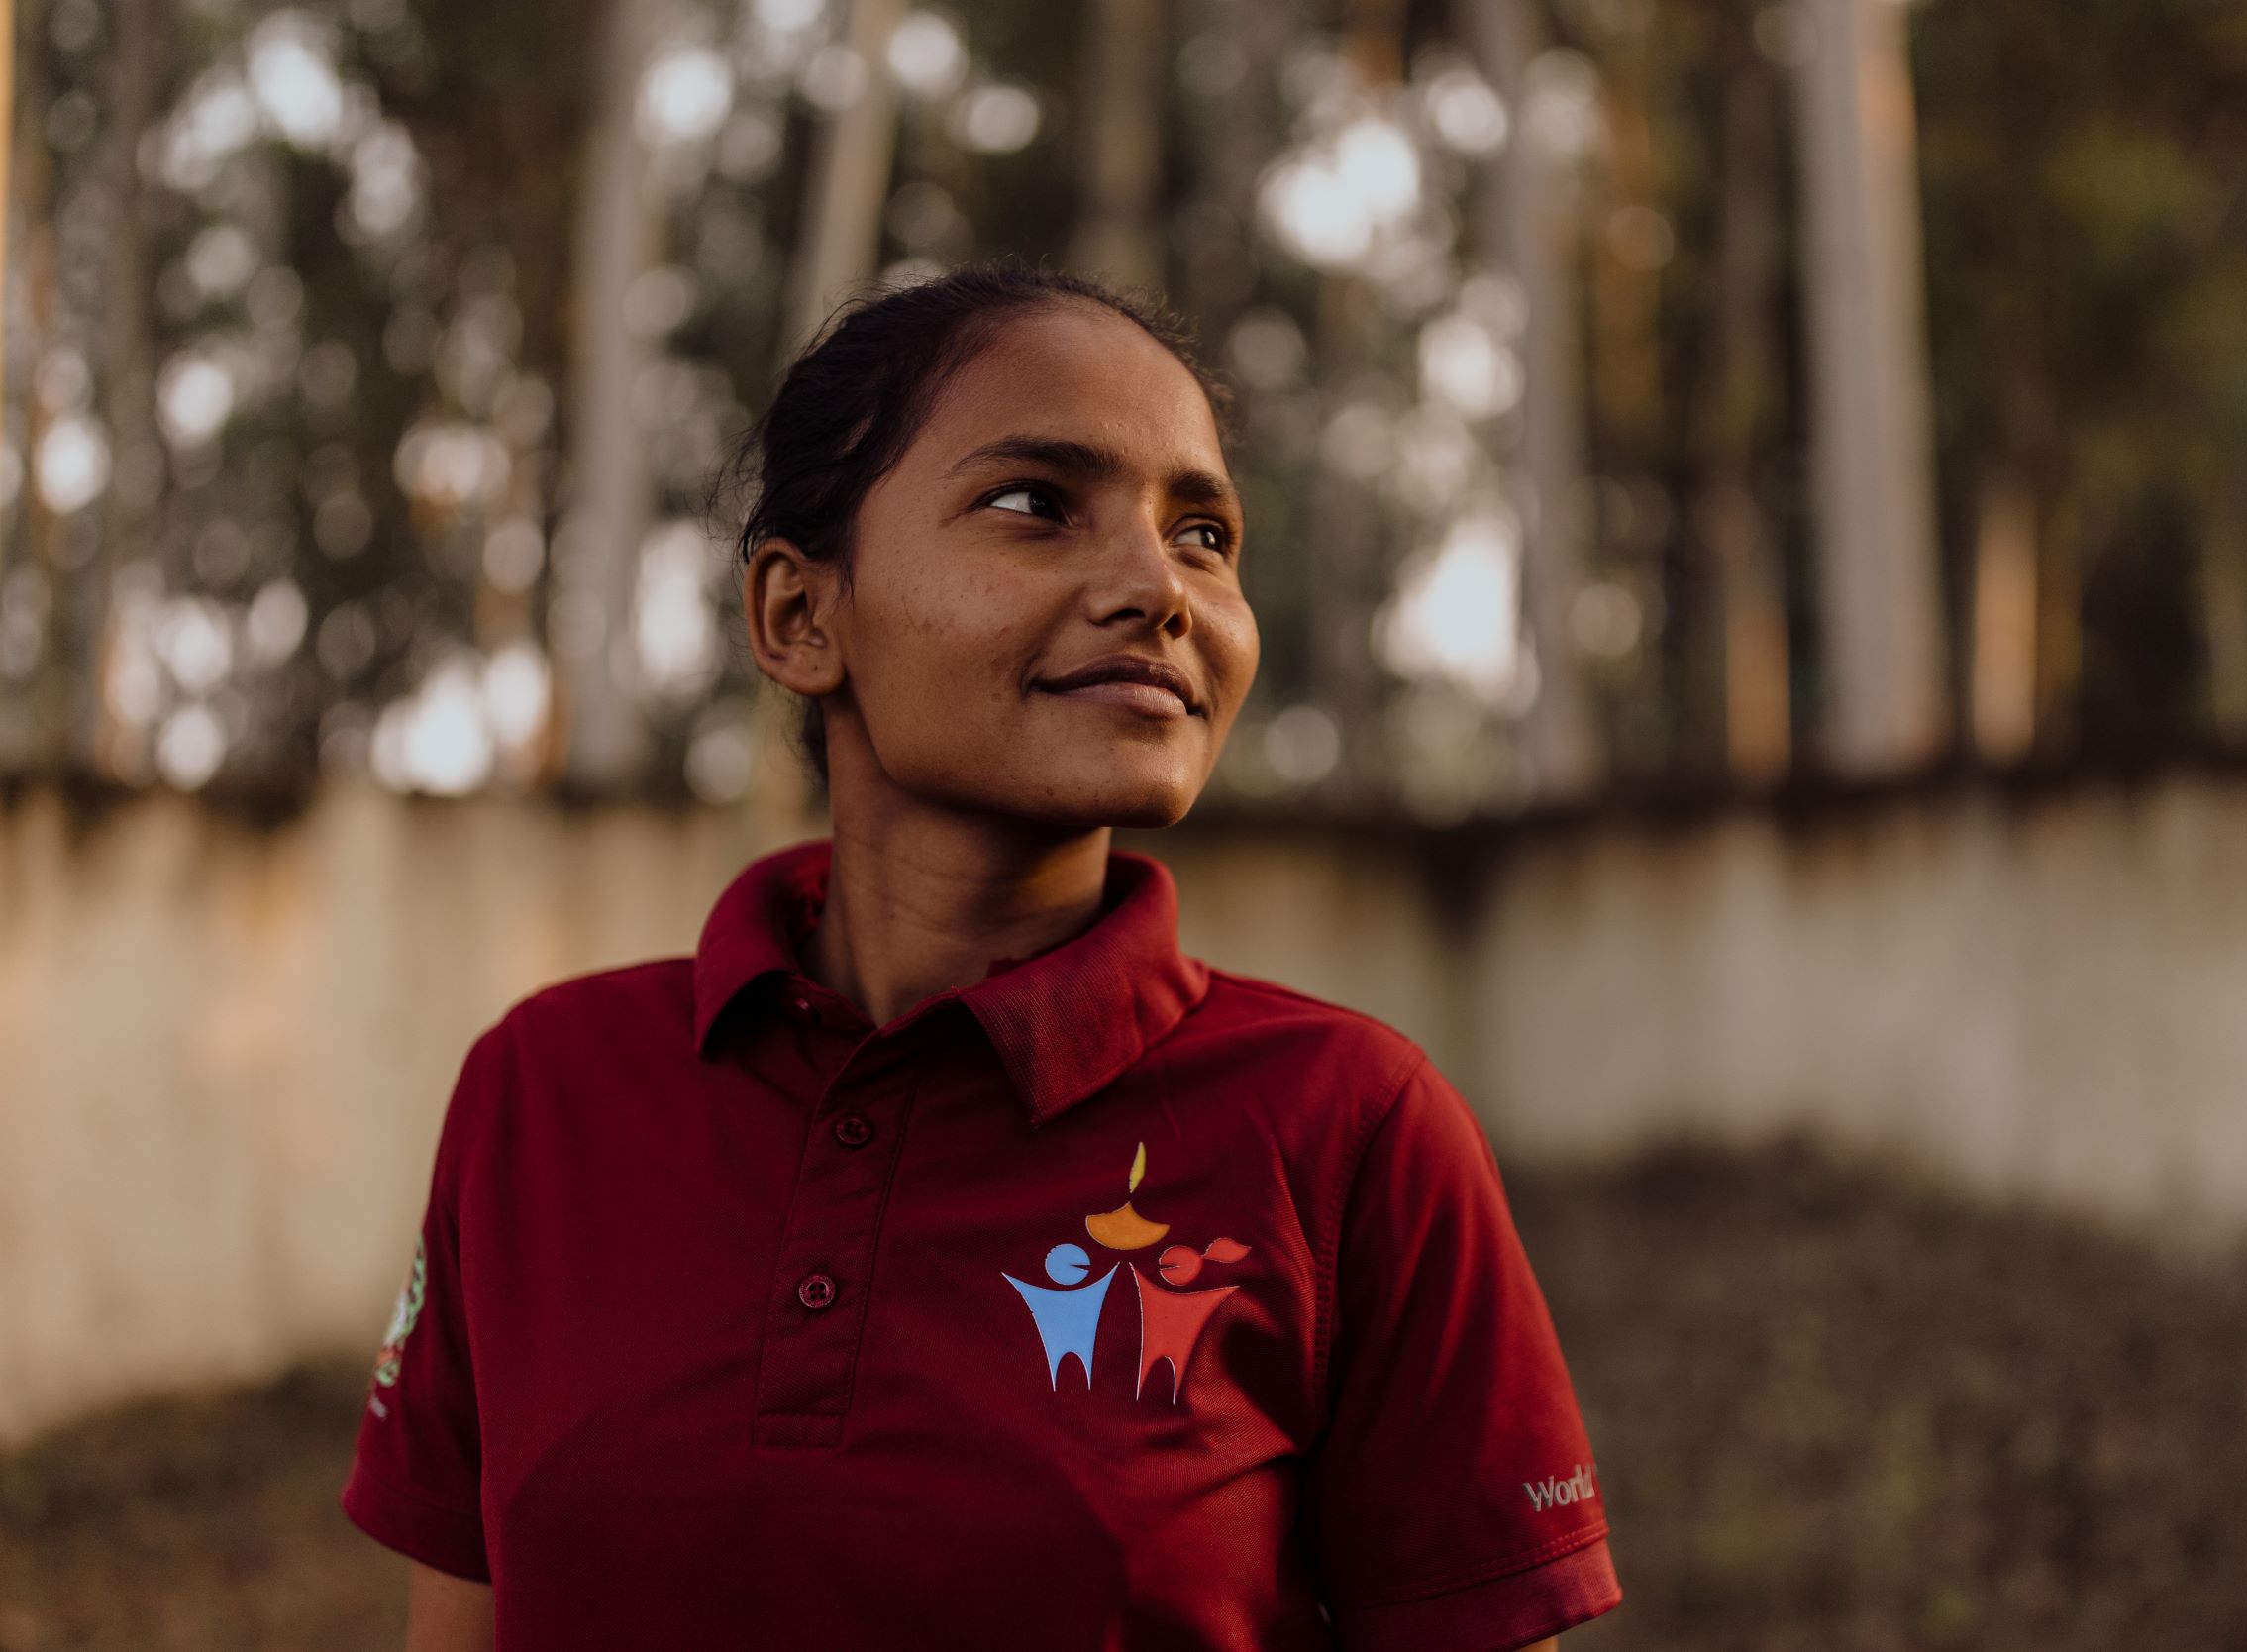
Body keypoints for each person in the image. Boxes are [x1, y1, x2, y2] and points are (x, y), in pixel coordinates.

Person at [339, 259, 1621, 1651]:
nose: (1159, 588)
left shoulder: (1349, 1130)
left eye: (1203, 534)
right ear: (798, 619)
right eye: (1034, 506)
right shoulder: (547, 1092)